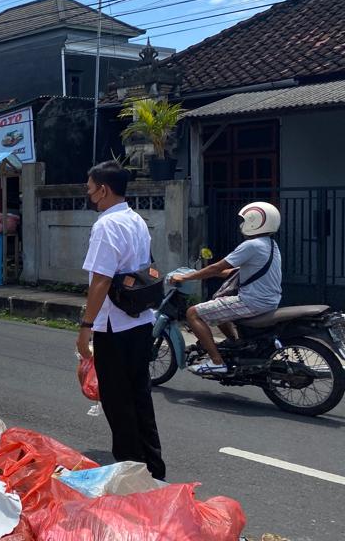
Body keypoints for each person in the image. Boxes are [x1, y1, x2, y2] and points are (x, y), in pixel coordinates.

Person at [77, 160, 165, 480]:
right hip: (140, 319)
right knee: (139, 396)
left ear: (104, 189)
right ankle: (153, 467)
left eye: (91, 190)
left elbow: (100, 280)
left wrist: (85, 328)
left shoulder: (105, 225)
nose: (89, 196)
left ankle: (131, 471)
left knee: (117, 402)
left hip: (114, 324)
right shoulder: (136, 219)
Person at [170, 202, 282, 375]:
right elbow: (235, 271)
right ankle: (234, 343)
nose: (241, 224)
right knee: (219, 302)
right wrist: (203, 273)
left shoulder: (251, 245)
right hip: (268, 301)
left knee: (192, 313)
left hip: (251, 302)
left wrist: (186, 277)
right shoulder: (271, 245)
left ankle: (217, 362)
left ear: (254, 221)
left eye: (244, 220)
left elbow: (217, 267)